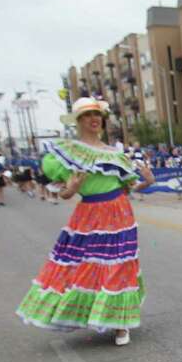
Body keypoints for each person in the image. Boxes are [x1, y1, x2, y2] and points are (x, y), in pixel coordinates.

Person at [16, 97, 154, 344]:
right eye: (88, 115)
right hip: (89, 214)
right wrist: (72, 188)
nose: (95, 119)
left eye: (98, 115)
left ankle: (120, 324)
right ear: (78, 121)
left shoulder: (115, 154)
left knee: (118, 265)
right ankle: (92, 314)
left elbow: (127, 189)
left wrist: (147, 182)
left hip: (119, 213)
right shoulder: (67, 152)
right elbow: (65, 192)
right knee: (83, 266)